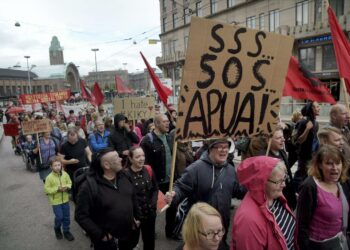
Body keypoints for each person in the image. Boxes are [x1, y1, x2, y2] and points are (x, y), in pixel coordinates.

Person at [166, 138, 246, 249]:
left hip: (221, 229)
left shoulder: (230, 170)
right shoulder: (195, 169)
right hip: (200, 230)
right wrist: (173, 195)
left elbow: (237, 190)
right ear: (210, 148)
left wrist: (254, 187)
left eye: (226, 147)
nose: (224, 150)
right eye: (220, 147)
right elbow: (180, 187)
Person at [75, 147, 140, 250]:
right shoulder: (89, 187)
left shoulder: (125, 175)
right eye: (116, 158)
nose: (121, 159)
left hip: (128, 236)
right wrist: (100, 234)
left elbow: (132, 196)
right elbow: (80, 216)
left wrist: (137, 217)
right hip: (108, 243)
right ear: (106, 165)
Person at [231, 156, 297, 250]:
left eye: (284, 178)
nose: (284, 184)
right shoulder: (248, 222)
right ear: (262, 183)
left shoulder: (274, 195)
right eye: (279, 181)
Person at [297, 145, 349, 250]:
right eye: (329, 163)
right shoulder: (310, 187)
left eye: (338, 163)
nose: (334, 167)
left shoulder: (343, 183)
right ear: (320, 165)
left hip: (339, 243)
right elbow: (302, 225)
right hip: (317, 246)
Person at [140, 114, 177, 239]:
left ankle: (170, 232)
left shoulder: (170, 138)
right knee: (151, 209)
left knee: (172, 206)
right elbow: (144, 165)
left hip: (170, 180)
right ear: (156, 124)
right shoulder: (147, 141)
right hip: (155, 182)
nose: (168, 124)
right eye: (164, 122)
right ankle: (150, 233)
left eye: (168, 121)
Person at [124, 146, 158, 250]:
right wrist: (132, 216)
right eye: (138, 156)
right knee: (131, 243)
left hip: (149, 214)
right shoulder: (124, 174)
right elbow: (124, 198)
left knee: (149, 241)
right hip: (134, 218)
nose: (142, 158)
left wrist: (152, 205)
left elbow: (155, 189)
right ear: (130, 159)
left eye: (143, 155)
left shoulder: (148, 169)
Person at [44, 156, 74, 241]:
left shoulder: (65, 174)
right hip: (55, 201)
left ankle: (66, 231)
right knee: (59, 217)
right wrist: (57, 189)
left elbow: (69, 182)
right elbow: (47, 189)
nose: (57, 167)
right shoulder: (49, 177)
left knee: (67, 217)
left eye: (59, 165)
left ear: (61, 165)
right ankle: (57, 228)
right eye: (55, 165)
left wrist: (67, 187)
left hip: (65, 199)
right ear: (51, 167)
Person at [268, 127, 297, 210]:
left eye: (283, 137)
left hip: (287, 193)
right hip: (276, 200)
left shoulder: (282, 152)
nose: (283, 140)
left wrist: (292, 190)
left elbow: (288, 174)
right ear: (269, 140)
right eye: (278, 138)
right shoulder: (265, 158)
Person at [294, 101, 320, 190]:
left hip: (312, 155)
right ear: (311, 109)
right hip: (304, 155)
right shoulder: (304, 122)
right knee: (300, 175)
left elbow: (315, 139)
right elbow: (299, 140)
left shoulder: (316, 123)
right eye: (317, 107)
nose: (319, 108)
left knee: (309, 175)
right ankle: (296, 192)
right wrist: (307, 129)